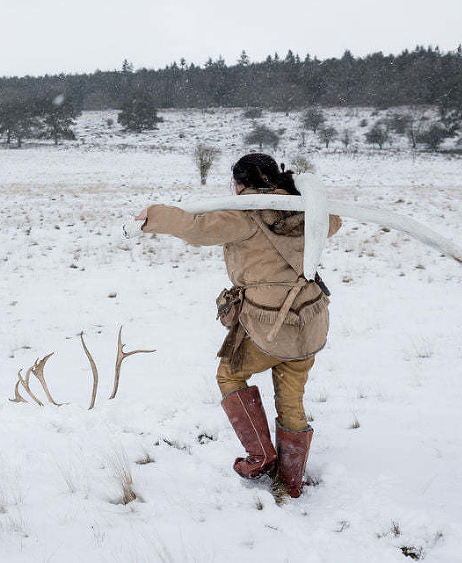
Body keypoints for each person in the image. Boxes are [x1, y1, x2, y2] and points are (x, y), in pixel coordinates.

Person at [135, 153, 341, 498]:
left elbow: (195, 228)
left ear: (239, 184)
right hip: (310, 321)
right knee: (292, 400)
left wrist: (152, 215)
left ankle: (261, 456)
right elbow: (333, 222)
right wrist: (303, 198)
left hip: (268, 327)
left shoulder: (244, 216)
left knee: (229, 374)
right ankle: (290, 483)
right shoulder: (305, 211)